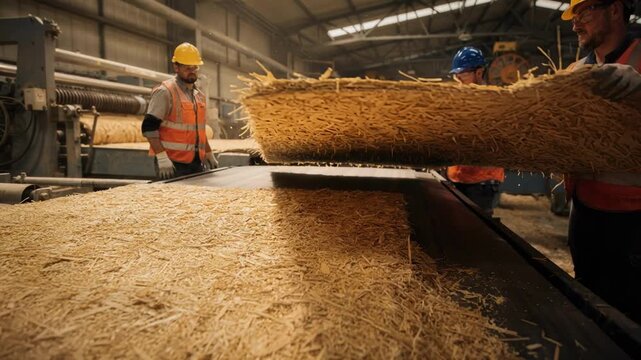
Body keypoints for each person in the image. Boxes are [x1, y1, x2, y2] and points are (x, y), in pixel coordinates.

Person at [562, 0, 641, 323]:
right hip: (585, 212)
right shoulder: (574, 73)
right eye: (574, 17)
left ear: (615, 10)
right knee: (589, 304)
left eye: (584, 13)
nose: (576, 24)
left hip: (634, 219)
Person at [141, 42, 217, 179]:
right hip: (172, 164)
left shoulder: (198, 95)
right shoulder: (165, 92)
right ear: (176, 67)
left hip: (196, 163)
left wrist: (208, 152)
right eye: (187, 68)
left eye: (195, 67)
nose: (192, 71)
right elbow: (148, 127)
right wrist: (162, 157)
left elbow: (198, 130)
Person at [446, 47, 505, 215]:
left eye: (462, 74)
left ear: (479, 73)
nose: (457, 79)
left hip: (481, 182)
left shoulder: (494, 100)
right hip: (458, 176)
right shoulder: (459, 100)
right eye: (455, 75)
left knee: (475, 230)